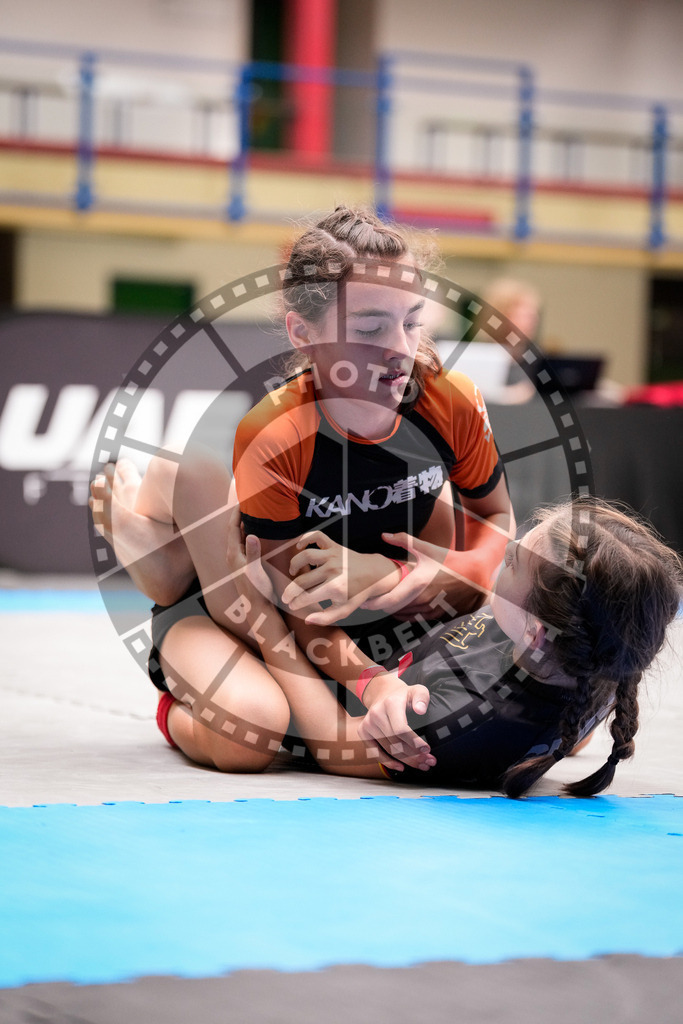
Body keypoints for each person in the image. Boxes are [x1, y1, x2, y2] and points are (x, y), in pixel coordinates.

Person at [90, 205, 514, 774]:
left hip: (353, 613)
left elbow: (495, 525)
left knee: (492, 689)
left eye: (412, 321)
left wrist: (410, 577)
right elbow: (293, 612)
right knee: (248, 734)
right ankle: (136, 533)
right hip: (245, 606)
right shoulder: (276, 432)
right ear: (302, 332)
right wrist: (371, 682)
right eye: (369, 328)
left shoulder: (450, 400)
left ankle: (155, 548)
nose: (399, 349)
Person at [226, 495, 683, 797]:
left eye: (513, 559)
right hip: (384, 657)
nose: (512, 544)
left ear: (535, 633)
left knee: (251, 728)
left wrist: (270, 616)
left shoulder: (454, 720)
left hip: (309, 690)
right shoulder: (598, 657)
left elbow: (331, 741)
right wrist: (396, 573)